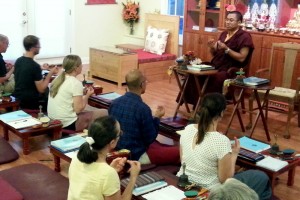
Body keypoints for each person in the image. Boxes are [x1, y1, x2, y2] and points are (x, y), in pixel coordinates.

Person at [177, 93, 272, 200]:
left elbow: (183, 161)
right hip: (210, 191)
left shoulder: (187, 129)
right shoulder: (221, 141)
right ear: (221, 113)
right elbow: (226, 180)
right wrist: (234, 154)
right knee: (261, 177)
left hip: (185, 181)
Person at [180, 11, 254, 106]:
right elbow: (215, 54)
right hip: (216, 66)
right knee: (194, 73)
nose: (227, 22)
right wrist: (211, 47)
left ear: (239, 22)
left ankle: (208, 106)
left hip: (230, 70)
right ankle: (195, 103)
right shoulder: (223, 34)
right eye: (227, 20)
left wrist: (227, 49)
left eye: (231, 20)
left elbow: (242, 58)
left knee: (212, 78)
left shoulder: (245, 36)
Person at [109, 69, 180, 165]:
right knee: (178, 152)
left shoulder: (114, 103)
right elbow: (150, 138)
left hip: (116, 148)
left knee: (161, 145)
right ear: (141, 85)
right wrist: (157, 118)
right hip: (135, 154)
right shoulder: (143, 109)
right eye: (145, 82)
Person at [68, 116, 141, 200]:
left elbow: (89, 186)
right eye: (119, 134)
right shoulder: (108, 174)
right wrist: (133, 177)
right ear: (112, 142)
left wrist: (110, 169)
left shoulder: (77, 157)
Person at [47, 55, 107, 131]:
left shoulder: (57, 78)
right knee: (103, 112)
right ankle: (91, 137)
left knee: (88, 111)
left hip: (52, 120)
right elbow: (78, 110)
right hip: (67, 124)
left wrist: (82, 92)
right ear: (76, 68)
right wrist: (87, 95)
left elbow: (67, 93)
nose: (82, 66)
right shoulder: (75, 83)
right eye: (81, 64)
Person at [13, 35, 57, 111]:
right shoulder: (34, 66)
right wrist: (50, 73)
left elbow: (27, 70)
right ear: (33, 48)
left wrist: (41, 68)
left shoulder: (18, 61)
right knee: (48, 92)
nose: (40, 48)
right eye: (38, 46)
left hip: (18, 97)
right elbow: (41, 89)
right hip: (30, 102)